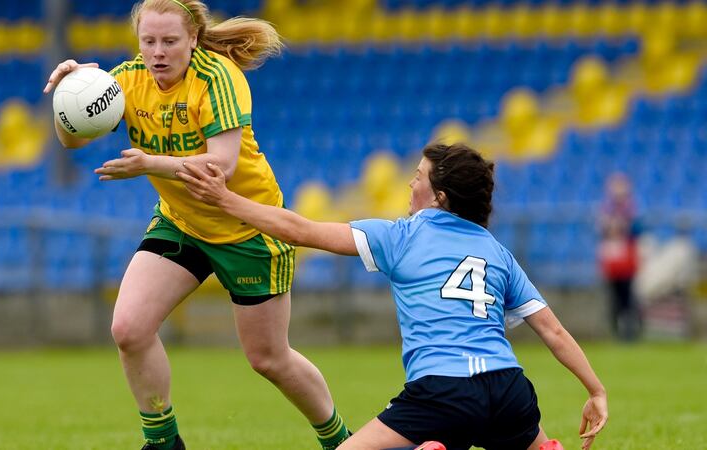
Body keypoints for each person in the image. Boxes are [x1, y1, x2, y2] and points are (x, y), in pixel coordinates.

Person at [42, 1, 351, 449]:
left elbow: (220, 167)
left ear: (193, 39)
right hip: (182, 222)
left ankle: (341, 440)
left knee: (268, 358)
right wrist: (71, 97)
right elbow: (72, 140)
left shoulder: (219, 77)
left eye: (170, 41)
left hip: (249, 227)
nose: (158, 52)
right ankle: (164, 442)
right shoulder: (126, 80)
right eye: (148, 41)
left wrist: (150, 163)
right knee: (128, 329)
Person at [178, 142, 609, 450]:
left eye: (418, 177)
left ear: (438, 197)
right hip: (508, 389)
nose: (410, 182)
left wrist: (225, 200)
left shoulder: (401, 235)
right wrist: (595, 391)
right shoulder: (497, 251)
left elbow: (300, 230)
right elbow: (552, 331)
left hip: (442, 391)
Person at [597, 172, 642, 341]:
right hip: (613, 261)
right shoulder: (606, 209)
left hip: (627, 260)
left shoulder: (631, 209)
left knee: (628, 297)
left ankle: (631, 331)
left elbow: (635, 231)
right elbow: (602, 231)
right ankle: (617, 331)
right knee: (614, 298)